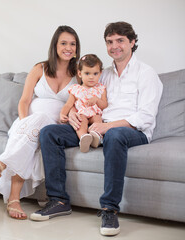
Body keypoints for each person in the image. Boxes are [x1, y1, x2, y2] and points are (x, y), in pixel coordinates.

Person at [30, 21, 163, 236]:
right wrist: (73, 113)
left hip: (130, 131)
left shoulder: (146, 73)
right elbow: (82, 97)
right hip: (95, 127)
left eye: (120, 40)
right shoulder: (103, 74)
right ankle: (58, 200)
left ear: (132, 42)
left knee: (114, 134)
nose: (114, 46)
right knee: (49, 133)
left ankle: (109, 209)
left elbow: (146, 117)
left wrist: (107, 126)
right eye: (110, 42)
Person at [0, 25, 80, 220]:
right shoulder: (39, 68)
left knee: (39, 126)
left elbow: (79, 102)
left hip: (54, 128)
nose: (69, 48)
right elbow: (24, 101)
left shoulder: (79, 74)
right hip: (27, 122)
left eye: (73, 44)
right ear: (55, 45)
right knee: (32, 131)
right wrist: (26, 123)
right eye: (64, 43)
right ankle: (13, 198)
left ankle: (2, 167)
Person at [59, 54, 107, 153]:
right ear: (80, 73)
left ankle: (96, 136)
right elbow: (69, 104)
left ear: (100, 73)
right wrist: (62, 114)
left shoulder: (101, 88)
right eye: (87, 73)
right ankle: (84, 138)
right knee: (81, 121)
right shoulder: (76, 89)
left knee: (97, 118)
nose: (91, 77)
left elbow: (104, 105)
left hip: (95, 114)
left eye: (95, 74)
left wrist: (97, 100)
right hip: (82, 113)